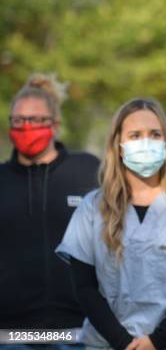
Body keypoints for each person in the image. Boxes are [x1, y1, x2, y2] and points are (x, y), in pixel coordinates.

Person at [56, 98, 166, 350]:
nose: (146, 143)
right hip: (107, 344)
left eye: (155, 134)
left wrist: (157, 341)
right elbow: (84, 287)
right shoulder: (92, 208)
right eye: (135, 135)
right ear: (118, 145)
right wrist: (122, 342)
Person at [0, 74, 99, 349]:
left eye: (36, 120)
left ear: (54, 124)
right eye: (18, 120)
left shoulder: (88, 171)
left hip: (81, 333)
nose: (26, 127)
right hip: (9, 337)